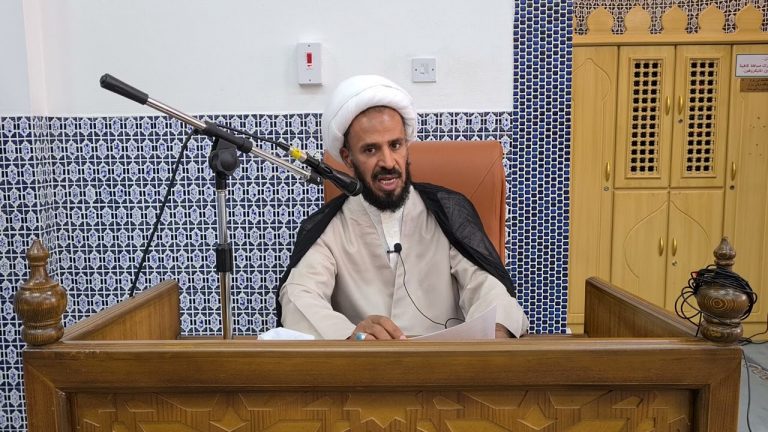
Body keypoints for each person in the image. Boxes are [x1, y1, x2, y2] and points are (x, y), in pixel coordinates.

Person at [278, 75, 528, 340]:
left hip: (444, 362)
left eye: (395, 145)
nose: (388, 162)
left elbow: (485, 285)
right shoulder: (330, 228)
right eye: (371, 150)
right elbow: (297, 296)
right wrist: (351, 336)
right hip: (366, 362)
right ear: (348, 158)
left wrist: (495, 329)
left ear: (407, 146)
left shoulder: (446, 213)